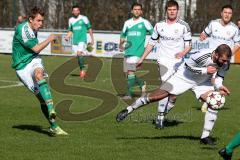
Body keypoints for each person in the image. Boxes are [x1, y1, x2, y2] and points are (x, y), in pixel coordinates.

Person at [116, 44, 232, 145]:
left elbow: (219, 77)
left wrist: (220, 86)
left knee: (214, 102)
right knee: (156, 97)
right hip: (183, 77)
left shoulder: (225, 63)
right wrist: (204, 71)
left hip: (202, 82)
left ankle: (205, 137)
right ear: (216, 55)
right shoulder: (202, 55)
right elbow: (187, 66)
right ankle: (129, 109)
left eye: (226, 60)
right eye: (223, 60)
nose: (225, 63)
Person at [135, 0, 192, 128]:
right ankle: (160, 119)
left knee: (174, 95)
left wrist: (183, 53)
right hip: (163, 61)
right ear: (166, 11)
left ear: (178, 11)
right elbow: (151, 43)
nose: (172, 12)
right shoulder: (159, 25)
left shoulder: (184, 26)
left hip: (178, 63)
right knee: (167, 88)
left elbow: (189, 45)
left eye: (174, 9)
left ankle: (161, 115)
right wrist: (142, 59)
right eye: (169, 9)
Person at [12, 7, 68, 135]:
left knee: (39, 74)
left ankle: (51, 108)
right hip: (22, 67)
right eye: (38, 21)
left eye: (42, 21)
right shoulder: (24, 30)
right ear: (31, 20)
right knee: (41, 99)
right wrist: (50, 38)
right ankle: (54, 126)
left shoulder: (32, 27)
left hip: (33, 60)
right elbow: (36, 48)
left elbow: (35, 53)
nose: (41, 24)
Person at [199, 4, 240, 113]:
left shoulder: (234, 29)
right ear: (221, 13)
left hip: (225, 61)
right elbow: (204, 33)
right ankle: (208, 101)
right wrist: (203, 36)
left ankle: (209, 101)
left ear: (231, 15)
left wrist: (229, 54)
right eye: (225, 12)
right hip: (212, 58)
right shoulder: (213, 24)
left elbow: (238, 44)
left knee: (218, 80)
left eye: (229, 13)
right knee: (211, 80)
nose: (227, 15)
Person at [119, 2, 153, 99]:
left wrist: (154, 43)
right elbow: (123, 35)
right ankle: (142, 84)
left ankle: (129, 94)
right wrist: (121, 45)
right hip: (128, 51)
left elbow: (154, 34)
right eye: (135, 9)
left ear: (141, 11)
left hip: (138, 52)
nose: (137, 11)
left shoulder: (145, 22)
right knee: (127, 73)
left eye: (139, 9)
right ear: (132, 11)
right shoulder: (127, 23)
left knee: (130, 72)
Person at [65, 5, 94, 78]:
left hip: (82, 40)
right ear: (72, 12)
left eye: (77, 10)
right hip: (75, 41)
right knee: (78, 56)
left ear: (79, 11)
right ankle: (82, 69)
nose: (75, 12)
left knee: (79, 53)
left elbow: (89, 28)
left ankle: (82, 70)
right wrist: (67, 36)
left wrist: (92, 39)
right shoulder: (70, 20)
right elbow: (71, 30)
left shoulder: (84, 18)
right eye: (74, 10)